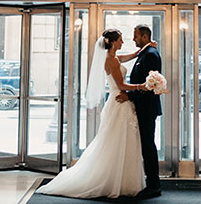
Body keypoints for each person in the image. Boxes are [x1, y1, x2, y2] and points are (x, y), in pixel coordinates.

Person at [35, 28, 157, 199]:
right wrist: (140, 86)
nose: (123, 42)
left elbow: (129, 56)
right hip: (119, 102)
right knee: (115, 141)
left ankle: (121, 179)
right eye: (120, 40)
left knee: (123, 141)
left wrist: (143, 50)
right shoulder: (111, 60)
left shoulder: (114, 58)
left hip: (121, 103)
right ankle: (111, 179)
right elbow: (121, 85)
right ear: (113, 42)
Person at [118, 24, 162, 199]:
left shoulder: (151, 55)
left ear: (144, 37)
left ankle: (154, 185)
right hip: (143, 107)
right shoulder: (145, 52)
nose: (133, 39)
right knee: (146, 145)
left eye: (135, 36)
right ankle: (152, 183)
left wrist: (130, 96)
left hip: (147, 107)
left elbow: (150, 85)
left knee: (148, 146)